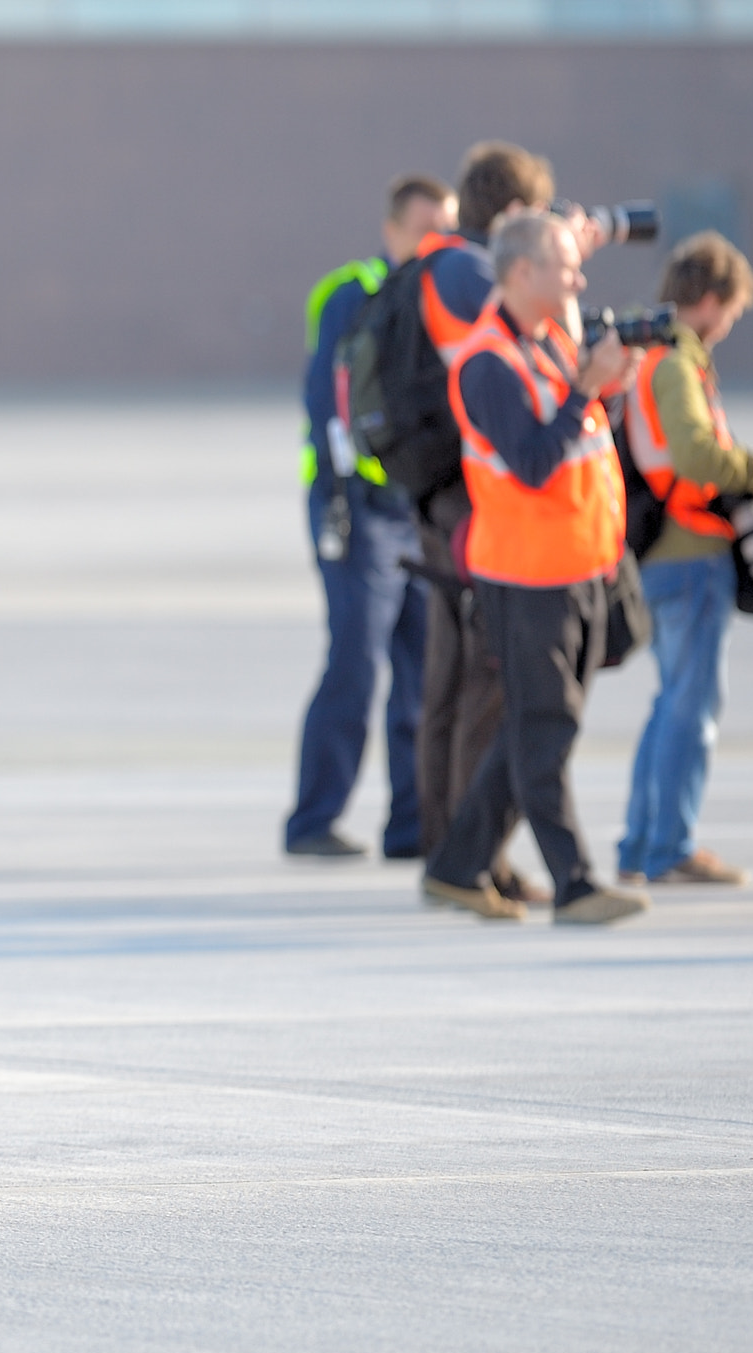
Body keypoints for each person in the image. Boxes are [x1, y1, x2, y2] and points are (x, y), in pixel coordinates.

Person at [422, 210, 648, 926]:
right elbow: (532, 462)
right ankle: (575, 882)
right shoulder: (488, 361)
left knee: (540, 724)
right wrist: (589, 389)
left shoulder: (548, 340)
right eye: (564, 264)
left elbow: (575, 438)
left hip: (577, 563)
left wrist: (602, 387)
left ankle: (459, 866)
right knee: (544, 727)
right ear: (521, 273)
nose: (578, 277)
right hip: (527, 575)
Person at [284, 174, 455, 858]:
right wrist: (340, 490)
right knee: (355, 660)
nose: (434, 243)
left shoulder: (447, 298)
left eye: (444, 230)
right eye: (423, 229)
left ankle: (412, 826)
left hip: (419, 508)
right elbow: (329, 400)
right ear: (391, 232)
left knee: (424, 666)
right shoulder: (352, 292)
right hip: (356, 505)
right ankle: (313, 820)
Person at [616, 232, 753, 886]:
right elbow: (691, 454)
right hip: (690, 553)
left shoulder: (645, 357)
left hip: (662, 553)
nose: (732, 323)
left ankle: (641, 843)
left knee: (671, 703)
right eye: (734, 309)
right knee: (691, 705)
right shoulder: (676, 361)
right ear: (710, 300)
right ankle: (669, 845)